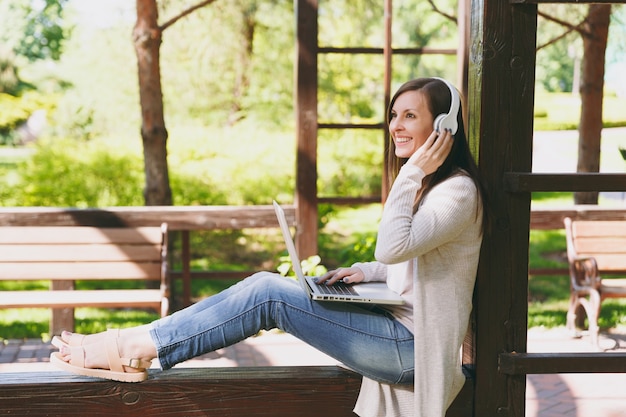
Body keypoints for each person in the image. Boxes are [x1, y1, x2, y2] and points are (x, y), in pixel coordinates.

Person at [51, 77, 487, 417]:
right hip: (399, 334)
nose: (396, 125)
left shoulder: (457, 192)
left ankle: (134, 350)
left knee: (268, 295)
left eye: (410, 116)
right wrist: (366, 272)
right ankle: (134, 342)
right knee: (263, 283)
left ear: (444, 127)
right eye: (394, 115)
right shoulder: (432, 188)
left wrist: (410, 171)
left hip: (417, 352)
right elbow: (408, 256)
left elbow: (396, 246)